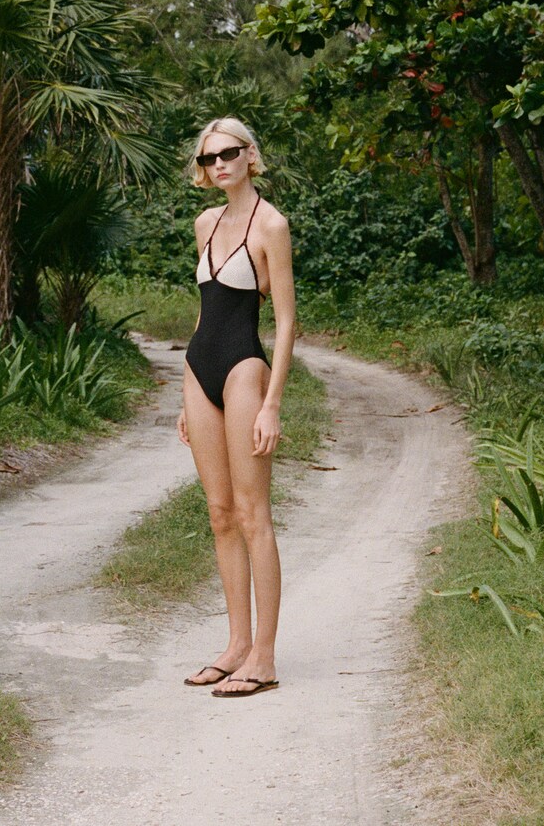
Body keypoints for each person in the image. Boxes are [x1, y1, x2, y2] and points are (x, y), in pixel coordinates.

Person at [177, 116, 296, 698]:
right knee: (219, 513)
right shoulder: (205, 222)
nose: (216, 164)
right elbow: (204, 311)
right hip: (199, 370)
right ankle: (235, 646)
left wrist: (272, 404)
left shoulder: (271, 224)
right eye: (206, 159)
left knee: (253, 515)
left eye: (226, 153)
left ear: (250, 155)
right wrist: (186, 393)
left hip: (247, 369)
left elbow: (287, 319)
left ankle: (265, 657)